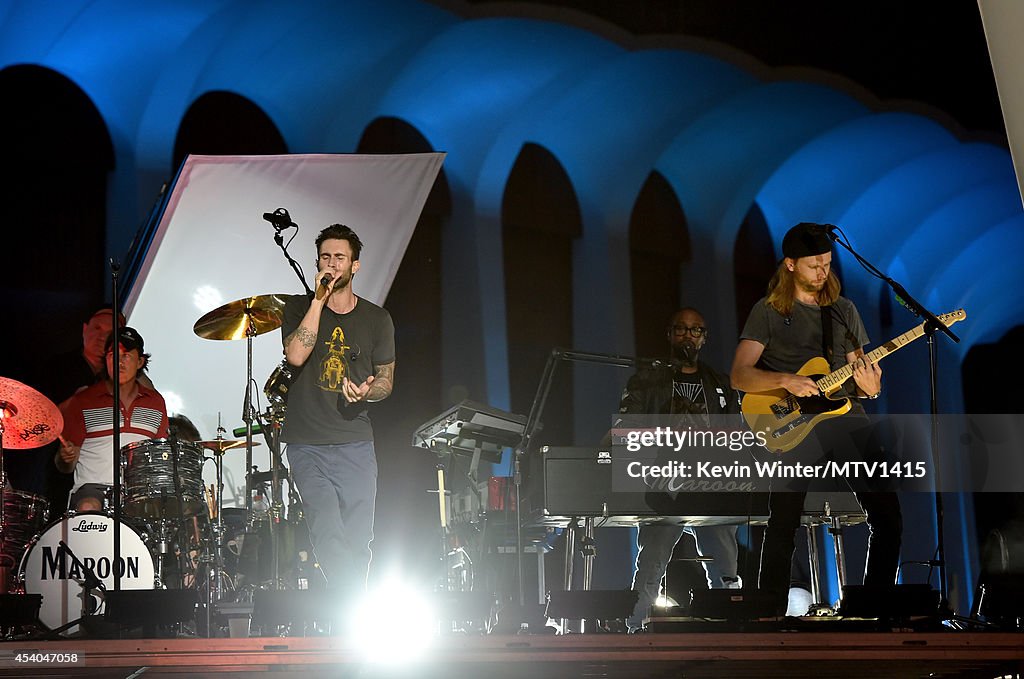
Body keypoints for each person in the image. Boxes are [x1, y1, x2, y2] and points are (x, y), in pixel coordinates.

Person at [730, 221, 902, 615]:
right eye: (813, 265)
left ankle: (872, 607)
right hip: (792, 425)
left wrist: (870, 386)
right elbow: (740, 375)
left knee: (887, 515)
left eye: (826, 263)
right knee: (783, 523)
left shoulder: (844, 311)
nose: (823, 272)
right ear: (790, 265)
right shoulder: (768, 312)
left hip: (846, 419)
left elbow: (862, 376)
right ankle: (769, 611)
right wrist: (786, 380)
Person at [280, 223, 395, 599]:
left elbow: (386, 380)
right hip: (306, 442)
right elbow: (296, 354)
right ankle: (349, 607)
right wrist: (317, 301)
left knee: (360, 538)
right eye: (326, 257)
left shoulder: (377, 319)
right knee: (326, 526)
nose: (332, 264)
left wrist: (367, 393)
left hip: (354, 443)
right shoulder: (299, 306)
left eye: (339, 258)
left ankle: (349, 607)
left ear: (355, 266)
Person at [621, 307, 744, 631]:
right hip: (664, 483)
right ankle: (635, 628)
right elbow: (628, 423)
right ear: (670, 334)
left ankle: (729, 626)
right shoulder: (647, 378)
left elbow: (737, 432)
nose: (688, 335)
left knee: (725, 563)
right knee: (652, 562)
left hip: (712, 481)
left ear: (704, 338)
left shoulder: (719, 382)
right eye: (681, 329)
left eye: (695, 330)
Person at [56, 327, 168, 512]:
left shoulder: (155, 402)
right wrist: (66, 458)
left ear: (140, 362)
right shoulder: (84, 400)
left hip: (138, 492)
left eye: (127, 356)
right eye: (113, 355)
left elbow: (160, 457)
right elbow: (64, 467)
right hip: (93, 489)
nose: (119, 362)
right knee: (87, 506)